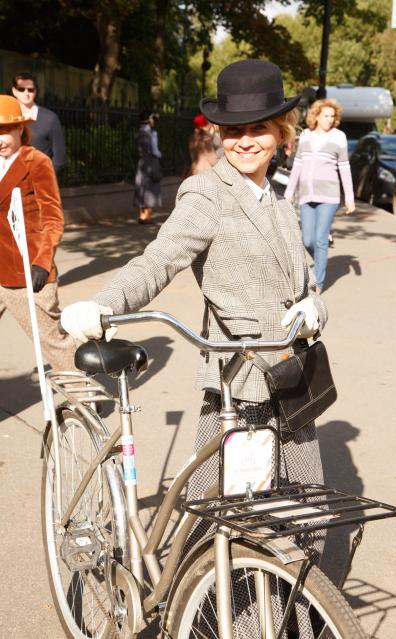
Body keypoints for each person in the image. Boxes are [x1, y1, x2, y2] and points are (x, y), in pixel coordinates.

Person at [61, 58, 328, 549]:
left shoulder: (280, 199)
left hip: (294, 383)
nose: (245, 141)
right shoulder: (206, 195)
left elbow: (305, 282)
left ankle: (298, 622)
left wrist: (315, 309)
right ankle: (220, 621)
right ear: (219, 135)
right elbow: (157, 260)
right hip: (239, 387)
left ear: (281, 133)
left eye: (259, 128)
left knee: (308, 519)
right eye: (234, 130)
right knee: (228, 527)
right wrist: (102, 304)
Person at [0, 95, 75, 371]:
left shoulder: (36, 162)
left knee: (53, 342)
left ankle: (84, 397)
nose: (0, 139)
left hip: (27, 271)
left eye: (5, 131)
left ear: (20, 128)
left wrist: (42, 263)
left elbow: (53, 219)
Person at [285, 98, 355, 293]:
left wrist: (349, 197)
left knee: (321, 239)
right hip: (306, 195)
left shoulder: (339, 137)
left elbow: (344, 167)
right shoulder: (306, 136)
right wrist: (289, 193)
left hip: (329, 196)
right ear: (315, 116)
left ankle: (319, 282)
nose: (330, 120)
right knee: (307, 240)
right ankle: (320, 261)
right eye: (326, 116)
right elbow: (298, 165)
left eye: (333, 116)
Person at [12, 71, 66, 175]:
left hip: (38, 184)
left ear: (35, 92)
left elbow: (60, 158)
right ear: (14, 91)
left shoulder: (50, 119)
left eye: (30, 90)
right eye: (21, 89)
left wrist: (44, 180)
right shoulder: (6, 116)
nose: (26, 93)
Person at [134, 110, 162, 224]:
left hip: (142, 163)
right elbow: (154, 151)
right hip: (151, 162)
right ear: (149, 120)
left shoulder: (139, 133)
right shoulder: (150, 134)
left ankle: (142, 215)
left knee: (142, 188)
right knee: (152, 187)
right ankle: (147, 217)